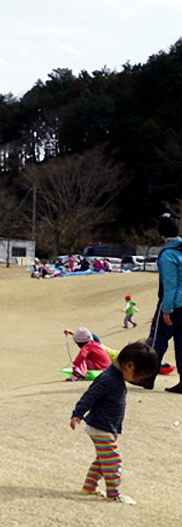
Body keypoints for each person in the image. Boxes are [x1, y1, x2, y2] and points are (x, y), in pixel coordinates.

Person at [70, 341, 158, 504]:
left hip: (108, 427)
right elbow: (89, 396)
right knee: (113, 460)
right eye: (138, 376)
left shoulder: (115, 377)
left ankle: (90, 486)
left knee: (103, 459)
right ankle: (114, 493)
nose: (137, 380)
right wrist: (77, 414)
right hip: (100, 427)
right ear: (129, 365)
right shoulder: (108, 379)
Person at [134, 213, 182, 392]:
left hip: (172, 304)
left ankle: (147, 377)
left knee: (157, 341)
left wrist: (167, 309)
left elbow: (169, 285)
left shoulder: (168, 254)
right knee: (181, 343)